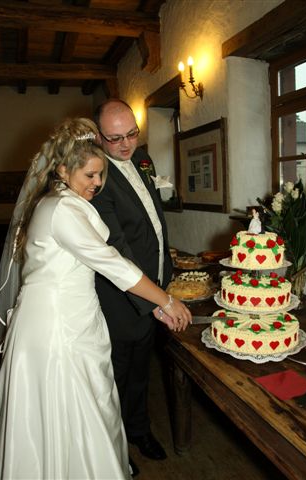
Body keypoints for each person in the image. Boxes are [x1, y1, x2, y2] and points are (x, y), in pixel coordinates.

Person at [0, 118, 191, 480]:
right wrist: (166, 301)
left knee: (92, 406)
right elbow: (111, 262)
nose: (97, 183)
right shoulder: (62, 209)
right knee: (66, 413)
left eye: (101, 175)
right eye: (90, 175)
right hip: (56, 329)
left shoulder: (62, 200)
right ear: (64, 169)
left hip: (75, 314)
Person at [91, 99, 174, 468]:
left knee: (142, 371)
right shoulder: (96, 177)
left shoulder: (143, 162)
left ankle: (140, 430)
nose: (125, 145)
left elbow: (154, 225)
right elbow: (117, 247)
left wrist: (166, 280)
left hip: (155, 287)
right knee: (116, 379)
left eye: (131, 134)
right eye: (114, 139)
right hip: (122, 299)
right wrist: (155, 299)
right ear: (97, 136)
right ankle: (117, 447)